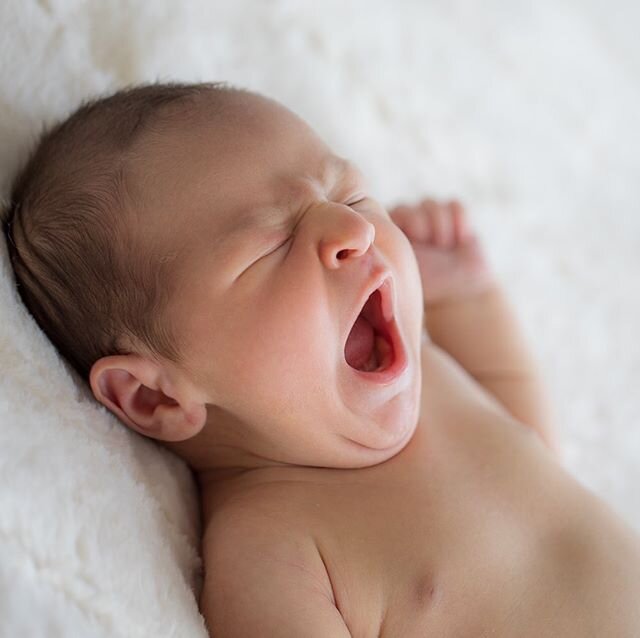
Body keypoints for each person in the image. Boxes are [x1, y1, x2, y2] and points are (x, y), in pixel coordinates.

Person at [4, 81, 640, 636]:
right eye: (272, 243)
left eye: (350, 195)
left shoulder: (415, 359)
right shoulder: (271, 549)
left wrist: (470, 296)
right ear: (157, 398)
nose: (352, 231)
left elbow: (529, 448)